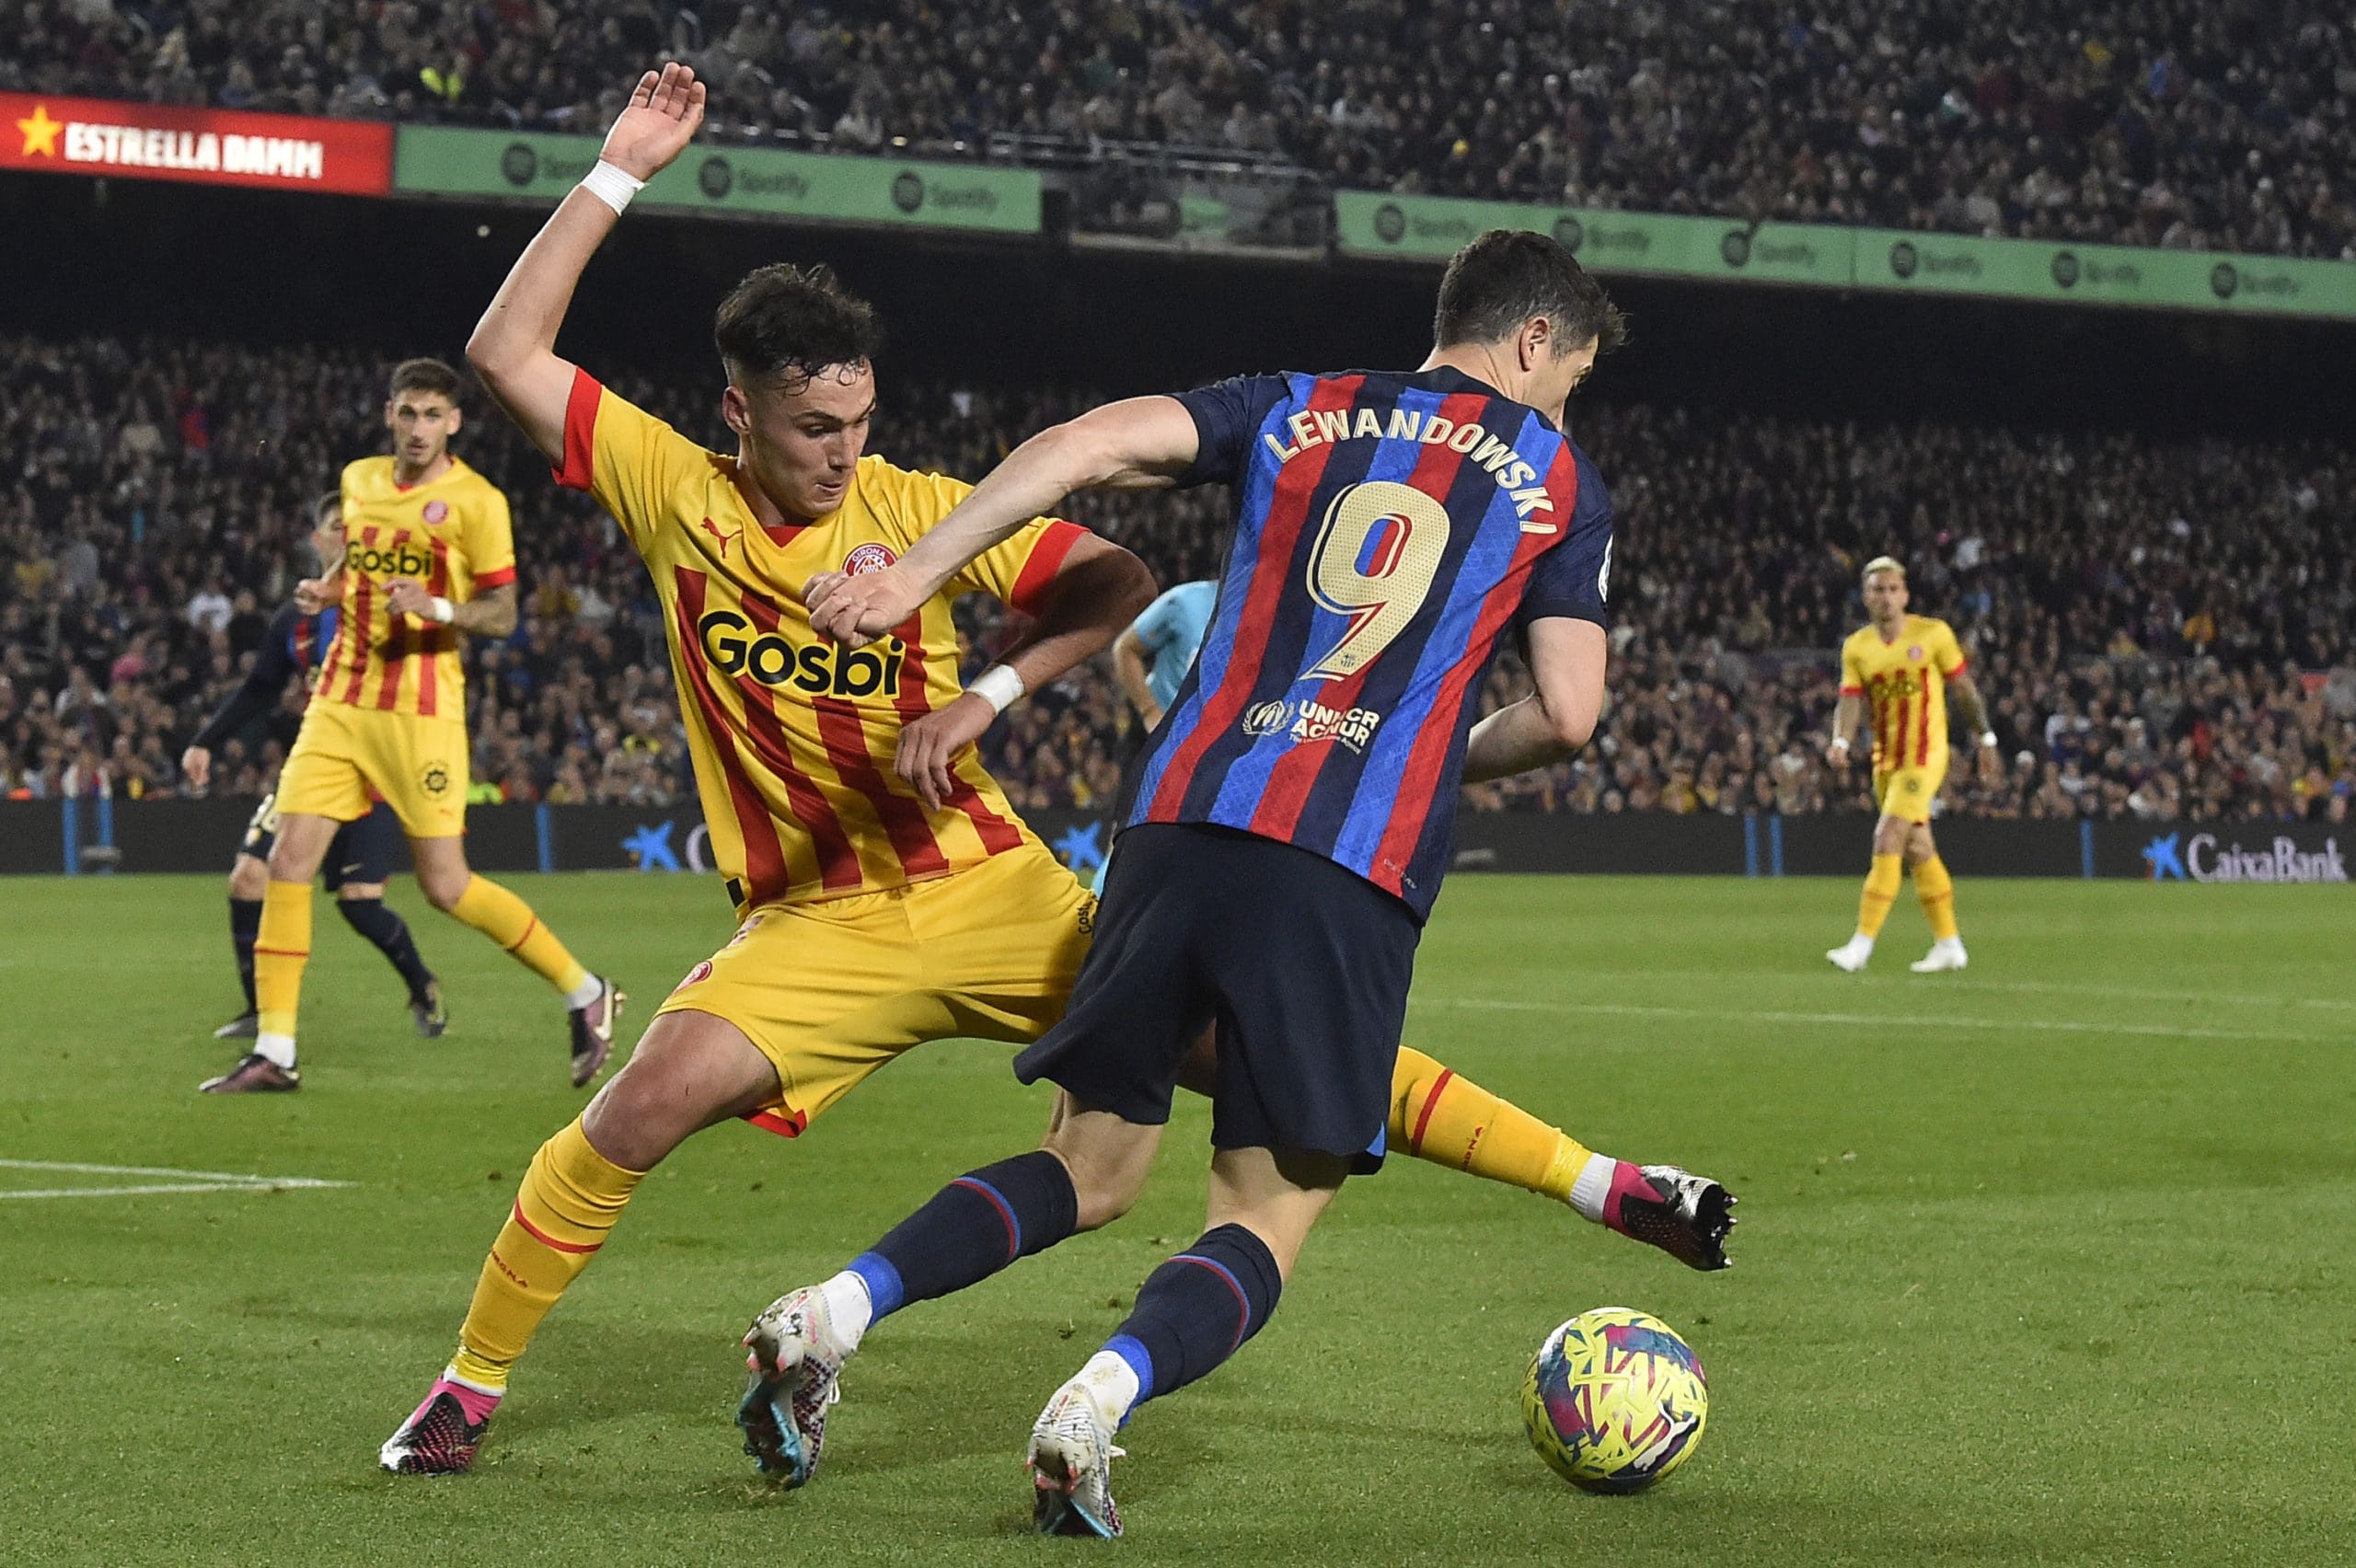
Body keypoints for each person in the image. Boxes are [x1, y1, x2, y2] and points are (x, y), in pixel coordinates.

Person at [379, 66, 1729, 1482]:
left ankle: (1605, 1182)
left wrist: (989, 685)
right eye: (811, 430)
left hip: (988, 883)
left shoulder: (922, 510)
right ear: (738, 416)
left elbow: (1112, 570)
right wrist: (617, 172)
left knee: (1248, 1074)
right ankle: (469, 1388)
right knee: (638, 1109)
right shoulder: (670, 488)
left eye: (859, 423)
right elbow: (508, 350)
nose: (844, 455)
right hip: (815, 920)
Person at [765, 224, 1725, 1536]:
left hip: (1172, 822)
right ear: (1537, 339)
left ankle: (834, 1311)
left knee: (1094, 1169)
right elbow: (1568, 714)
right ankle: (1095, 1403)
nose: (1569, 401)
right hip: (1339, 861)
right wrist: (1430, 756)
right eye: (1574, 375)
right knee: (1267, 1210)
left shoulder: (1299, 406)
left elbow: (1088, 443)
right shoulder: (1557, 474)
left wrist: (918, 569)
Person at [199, 358, 621, 1094]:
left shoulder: (477, 503)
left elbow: (503, 612)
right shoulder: (360, 481)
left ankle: (586, 992)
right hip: (338, 704)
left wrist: (440, 608)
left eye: (433, 415)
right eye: (408, 413)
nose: (419, 428)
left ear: (454, 422)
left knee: (446, 886)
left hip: (420, 713)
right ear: (389, 415)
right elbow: (357, 572)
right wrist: (325, 589)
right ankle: (276, 1050)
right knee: (287, 865)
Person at [182, 493, 443, 1049]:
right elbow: (259, 689)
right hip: (312, 770)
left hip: (373, 774)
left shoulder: (386, 607)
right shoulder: (294, 620)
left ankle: (422, 983)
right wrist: (206, 741)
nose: (345, 537)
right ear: (318, 540)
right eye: (333, 528)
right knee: (248, 879)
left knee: (360, 905)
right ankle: (261, 1011)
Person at [1822, 556, 2002, 974]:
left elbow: (1964, 690)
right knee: (1919, 848)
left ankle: (1860, 946)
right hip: (1887, 761)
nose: (1885, 597)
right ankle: (1950, 945)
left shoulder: (1933, 634)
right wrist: (1841, 741)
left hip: (1925, 756)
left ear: (1905, 594)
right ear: (1865, 597)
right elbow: (1849, 700)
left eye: (1892, 589)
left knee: (1887, 837)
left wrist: (1985, 739)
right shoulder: (1858, 647)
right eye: (1876, 590)